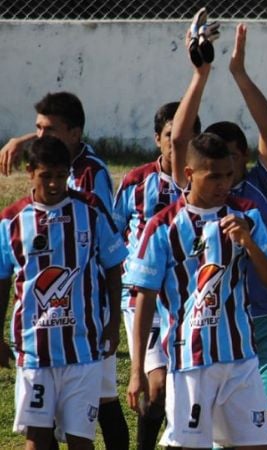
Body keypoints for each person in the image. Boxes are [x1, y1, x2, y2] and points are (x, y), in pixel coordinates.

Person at [169, 23, 267, 449]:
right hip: (216, 320)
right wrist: (200, 74)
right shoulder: (196, 195)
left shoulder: (265, 188)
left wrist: (239, 73)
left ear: (243, 156)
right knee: (224, 424)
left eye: (231, 158)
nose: (224, 170)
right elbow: (179, 141)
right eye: (215, 162)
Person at [125, 132, 267, 449]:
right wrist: (137, 369)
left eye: (228, 175)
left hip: (241, 360)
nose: (223, 184)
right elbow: (144, 300)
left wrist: (249, 243)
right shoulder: (162, 226)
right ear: (189, 173)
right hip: (189, 362)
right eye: (213, 177)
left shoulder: (247, 214)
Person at [0, 91, 128, 449]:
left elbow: (113, 265)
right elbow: (3, 279)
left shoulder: (91, 202)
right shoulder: (12, 221)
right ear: (31, 173)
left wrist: (111, 322)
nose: (56, 183)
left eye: (61, 176)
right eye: (47, 176)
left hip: (84, 344)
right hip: (35, 349)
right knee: (38, 438)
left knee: (88, 428)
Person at [112, 102, 201, 449]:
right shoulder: (136, 182)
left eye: (189, 136)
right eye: (171, 135)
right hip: (141, 299)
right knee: (157, 384)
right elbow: (113, 235)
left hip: (187, 299)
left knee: (185, 386)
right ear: (157, 139)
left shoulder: (199, 183)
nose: (178, 143)